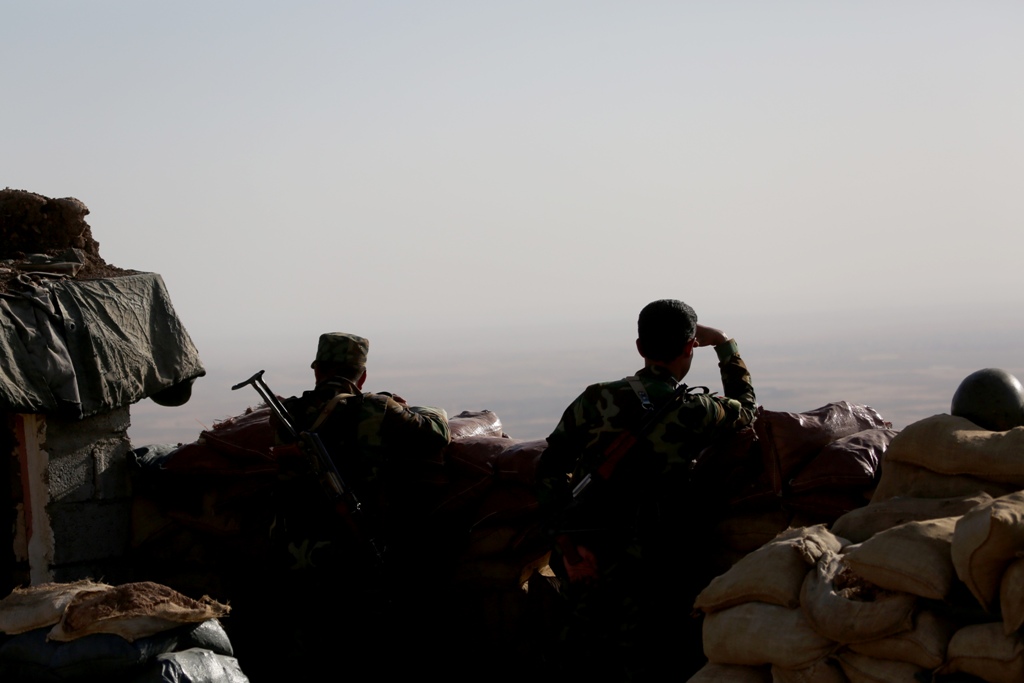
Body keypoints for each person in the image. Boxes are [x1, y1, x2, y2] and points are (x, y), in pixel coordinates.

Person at [537, 299, 756, 679]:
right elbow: (747, 410)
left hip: (588, 557)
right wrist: (724, 343)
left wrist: (569, 547)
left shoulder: (595, 398)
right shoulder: (696, 411)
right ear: (690, 348)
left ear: (640, 347)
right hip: (660, 566)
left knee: (578, 653)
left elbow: (549, 470)